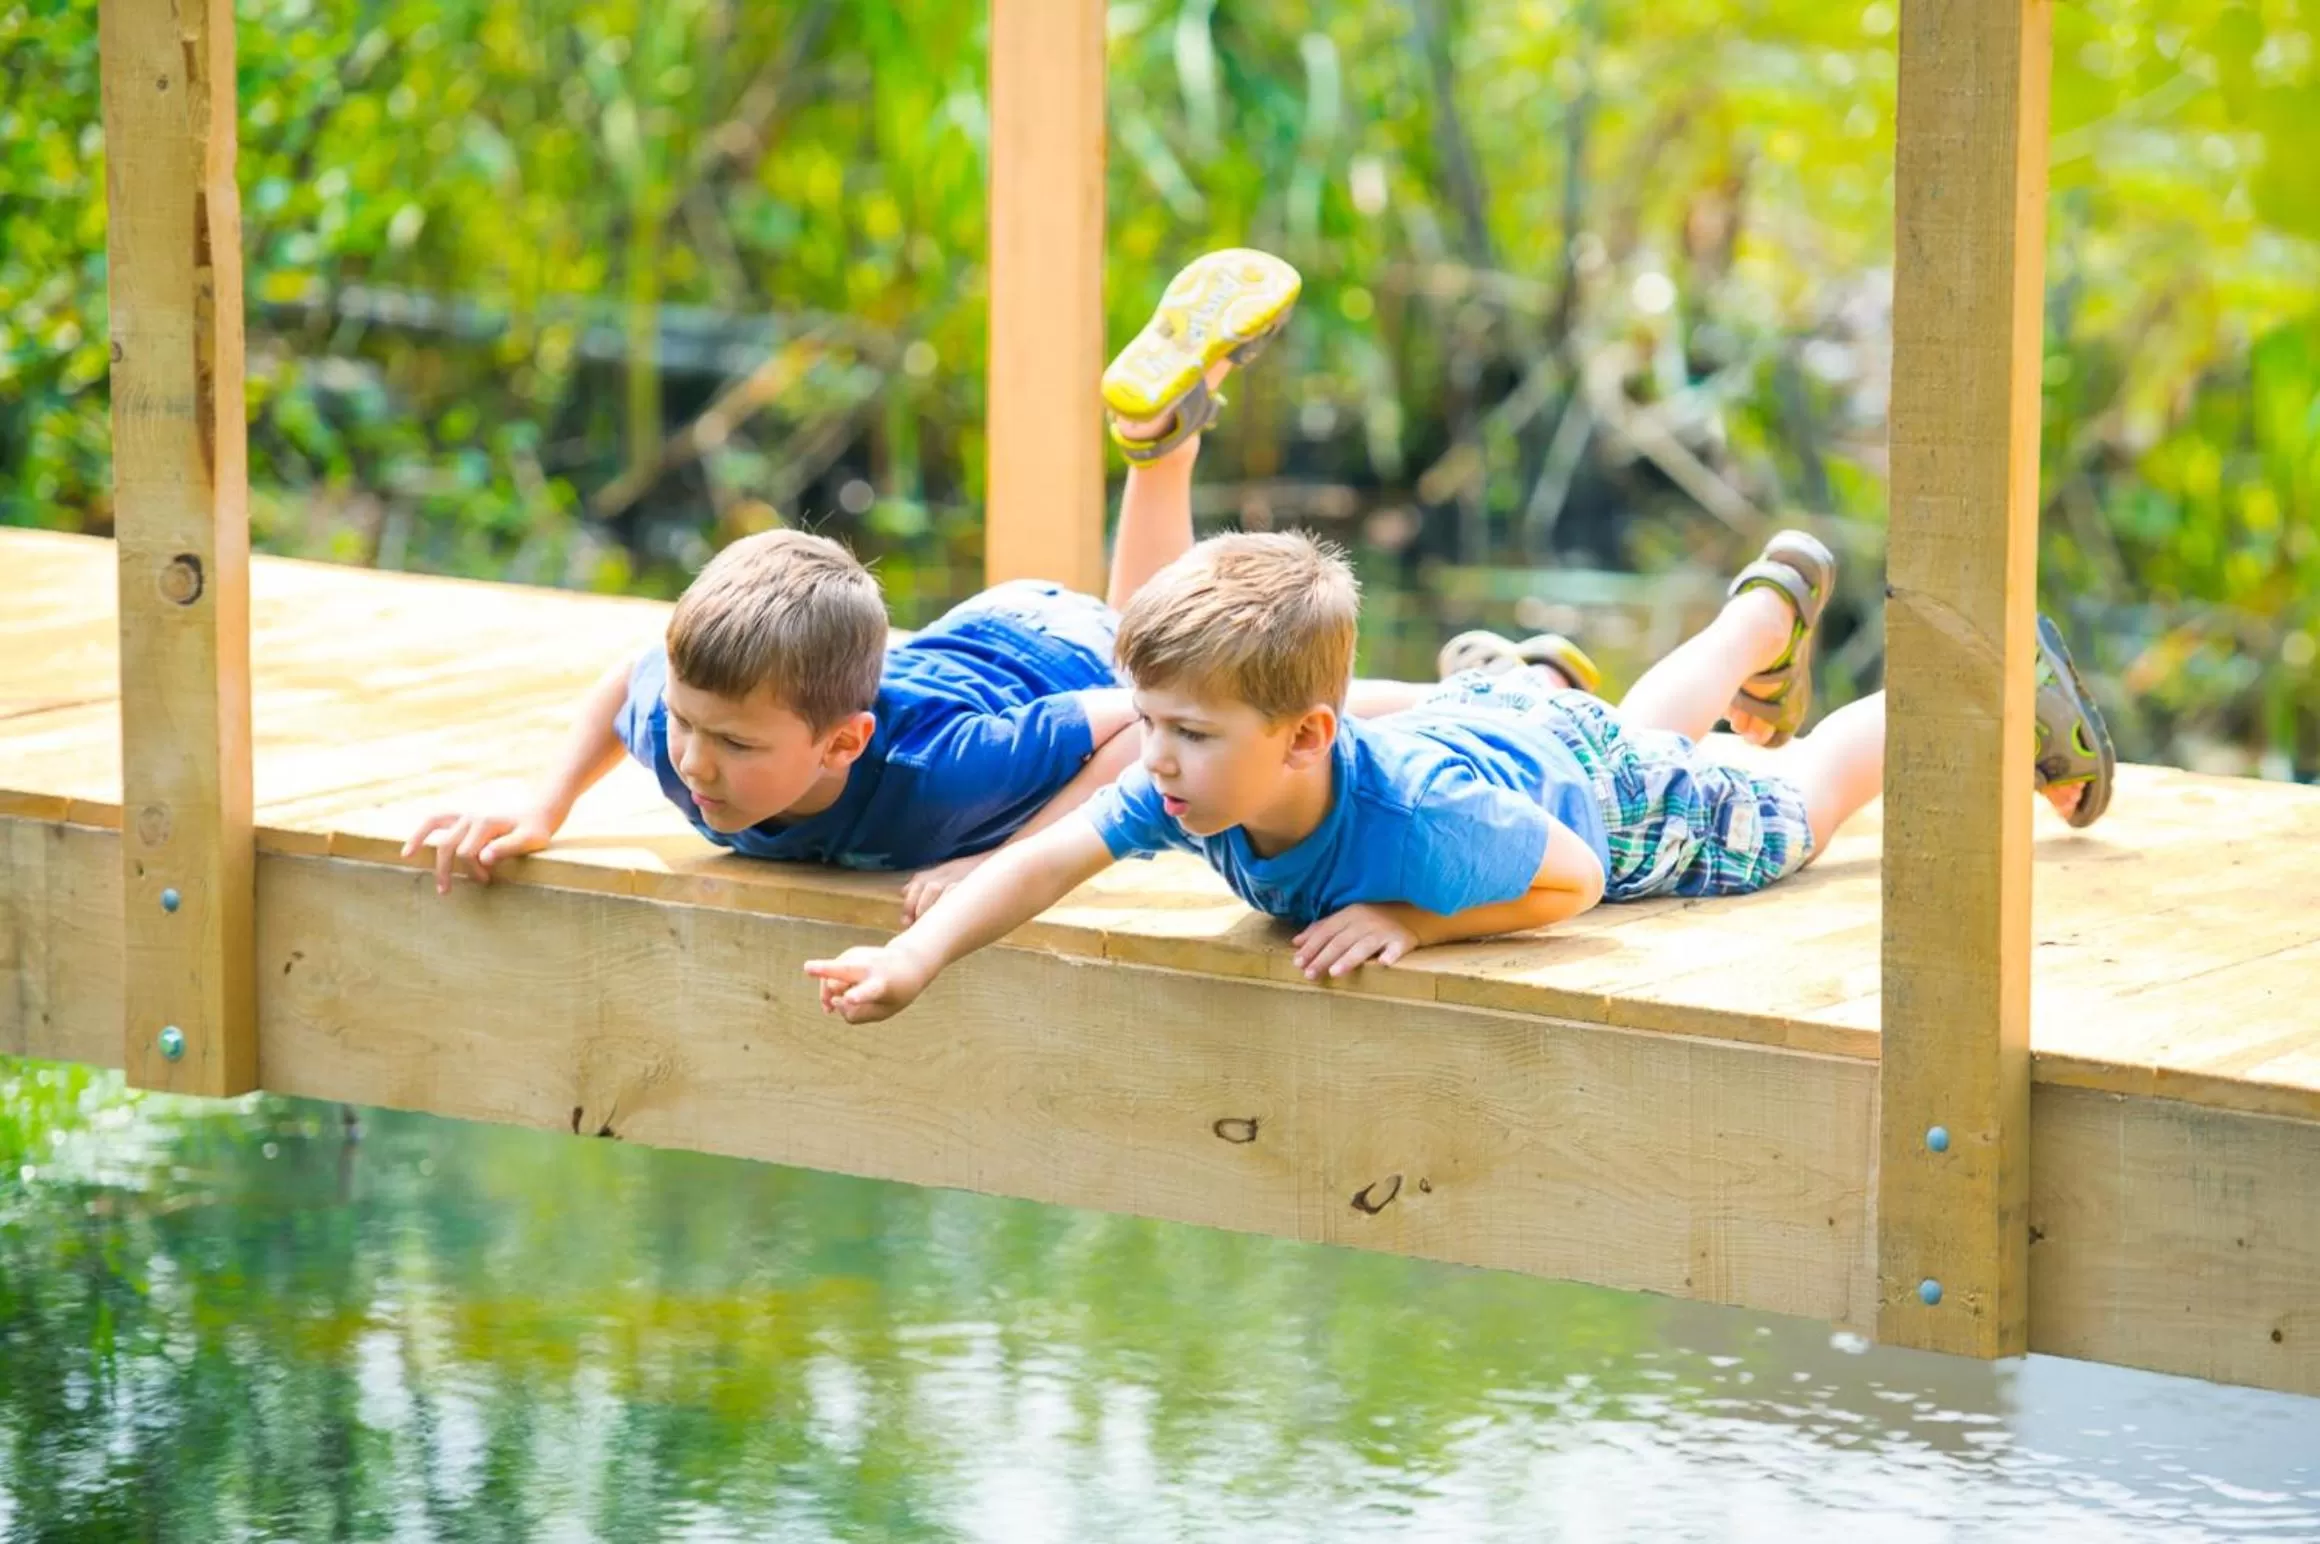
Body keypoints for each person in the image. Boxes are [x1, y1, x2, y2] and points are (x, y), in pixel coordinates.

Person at [403, 248, 1590, 913]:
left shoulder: (939, 773)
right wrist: (544, 806)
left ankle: (1461, 683)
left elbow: (1128, 728)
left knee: (1175, 675)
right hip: (940, 641)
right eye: (696, 732)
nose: (696, 765)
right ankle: (1173, 447)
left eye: (730, 746)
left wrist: (1000, 861)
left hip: (1040, 654)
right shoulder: (678, 729)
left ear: (839, 746)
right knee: (1189, 681)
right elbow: (626, 682)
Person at [804, 525, 2114, 1023]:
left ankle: (1982, 684)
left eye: (1187, 734)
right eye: (1152, 724)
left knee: (1792, 803)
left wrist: (1416, 922)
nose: (1154, 761)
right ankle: (1754, 622)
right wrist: (916, 962)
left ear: (1304, 738)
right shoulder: (1195, 776)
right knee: (1632, 741)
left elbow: (1579, 875)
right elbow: (1050, 856)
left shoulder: (1419, 830)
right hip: (1508, 731)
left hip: (1565, 796)